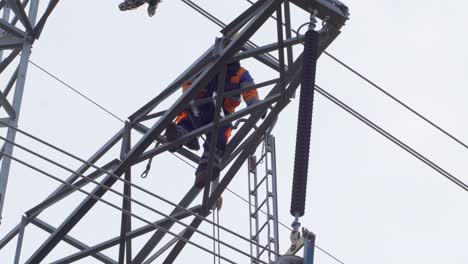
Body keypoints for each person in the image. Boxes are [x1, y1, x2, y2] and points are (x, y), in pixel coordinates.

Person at [165, 61, 261, 189]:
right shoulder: (206, 66)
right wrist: (189, 98)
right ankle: (177, 136)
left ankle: (205, 170)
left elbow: (249, 91)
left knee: (220, 134)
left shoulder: (240, 73)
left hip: (222, 112)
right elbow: (189, 81)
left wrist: (255, 105)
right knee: (189, 117)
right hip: (200, 105)